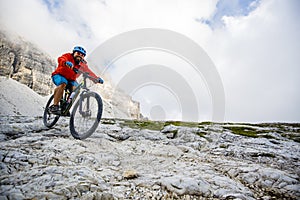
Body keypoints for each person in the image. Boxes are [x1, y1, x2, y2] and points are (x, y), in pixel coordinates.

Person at [49, 46, 104, 114]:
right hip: (59, 75)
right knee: (63, 83)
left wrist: (96, 78)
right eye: (78, 53)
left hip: (71, 80)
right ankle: (55, 106)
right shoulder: (68, 56)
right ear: (74, 53)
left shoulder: (82, 64)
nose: (80, 56)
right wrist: (65, 62)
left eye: (82, 55)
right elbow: (61, 59)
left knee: (76, 89)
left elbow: (89, 72)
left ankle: (66, 106)